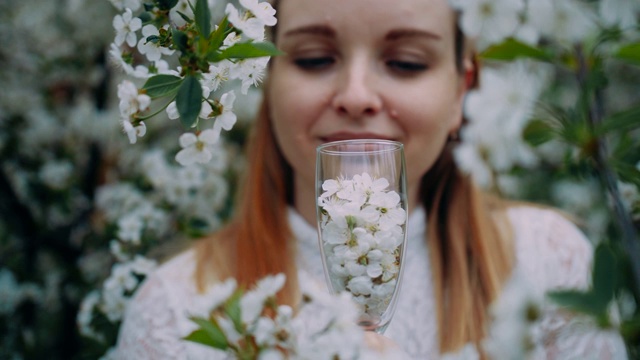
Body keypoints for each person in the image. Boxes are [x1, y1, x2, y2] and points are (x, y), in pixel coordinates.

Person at [115, 0, 627, 358]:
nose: (356, 94)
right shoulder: (177, 309)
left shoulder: (548, 264)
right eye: (314, 58)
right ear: (264, 79)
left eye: (405, 63)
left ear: (460, 93)